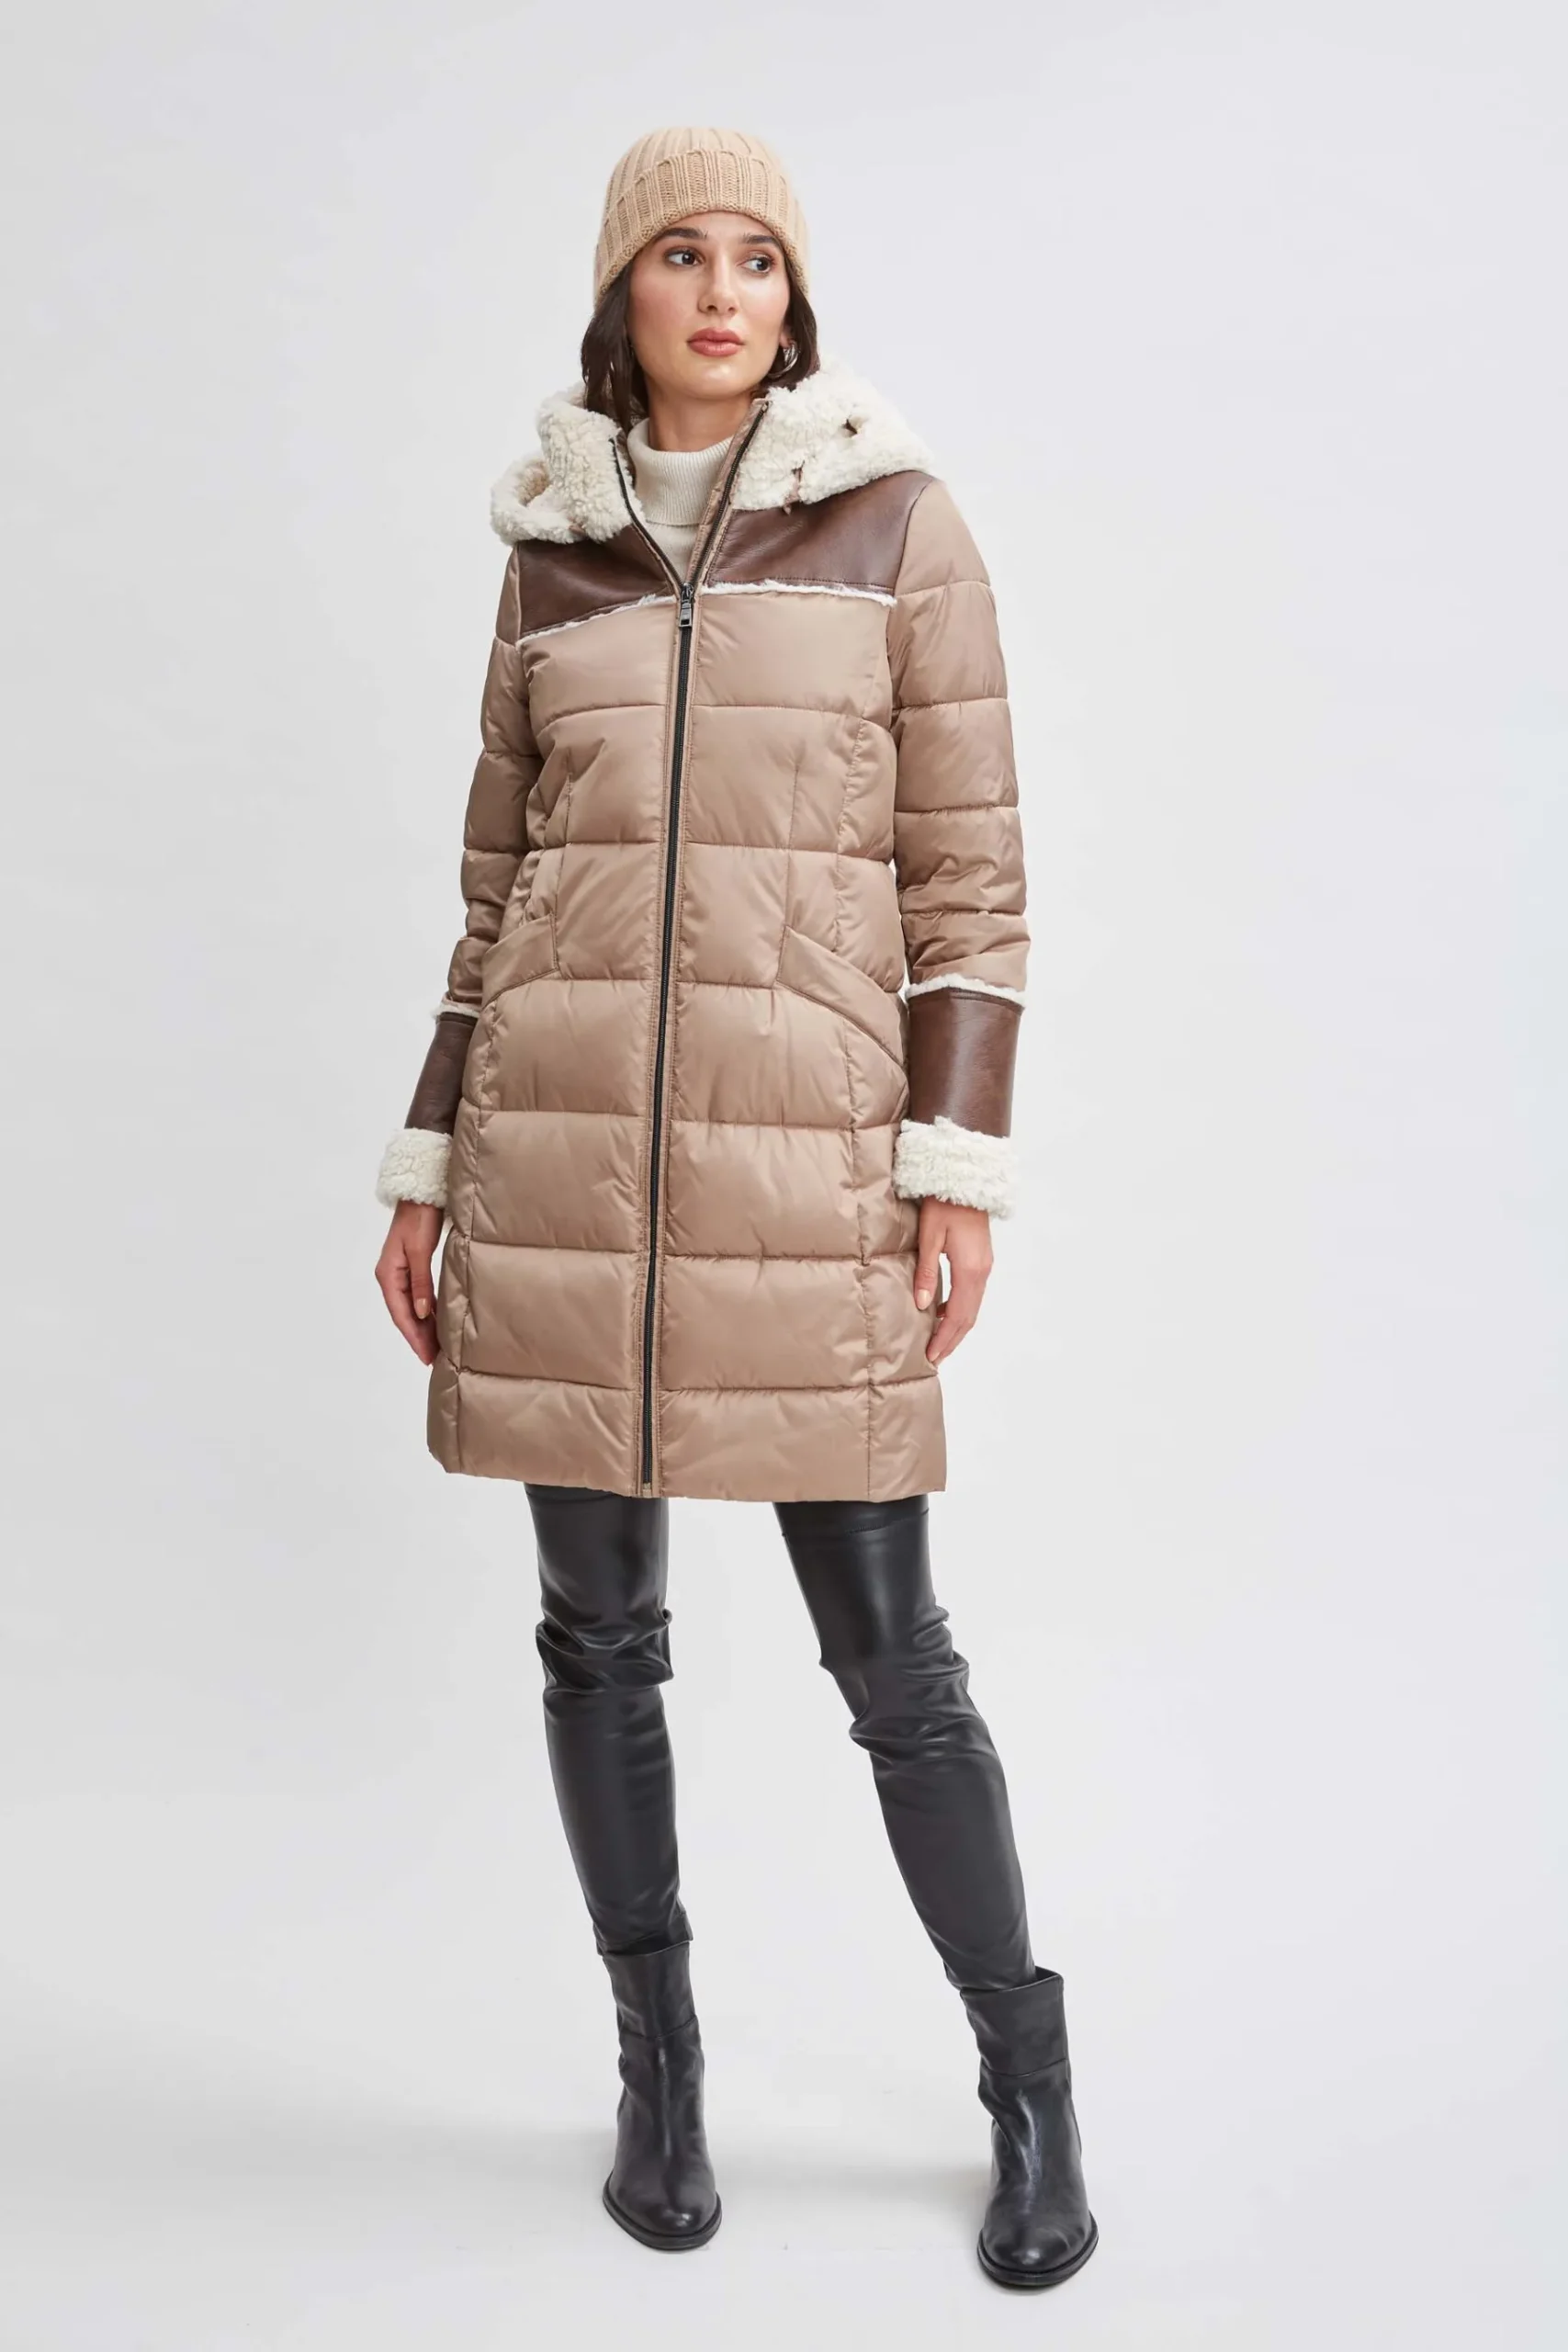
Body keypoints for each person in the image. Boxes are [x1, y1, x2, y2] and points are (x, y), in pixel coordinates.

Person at [371, 126, 1098, 2291]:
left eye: (756, 257)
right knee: (597, 1644)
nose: (719, 290)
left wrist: (951, 1161)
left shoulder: (894, 526)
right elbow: (497, 899)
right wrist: (430, 1160)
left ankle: (1028, 2079)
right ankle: (659, 2067)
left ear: (795, 299)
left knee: (895, 1665)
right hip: (562, 1175)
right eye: (679, 254)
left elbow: (971, 881)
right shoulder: (552, 556)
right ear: (624, 292)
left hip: (807, 1182)